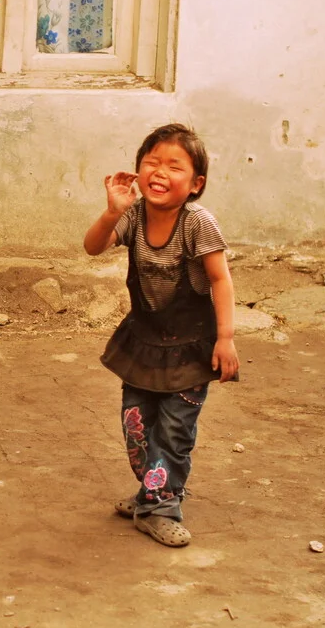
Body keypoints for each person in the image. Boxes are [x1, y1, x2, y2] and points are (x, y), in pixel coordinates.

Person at [83, 123, 239, 547]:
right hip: (144, 343)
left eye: (174, 165)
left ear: (195, 184)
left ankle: (162, 506)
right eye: (152, 162)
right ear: (137, 171)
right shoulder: (133, 216)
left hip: (190, 349)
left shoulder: (198, 224)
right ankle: (151, 491)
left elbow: (220, 281)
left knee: (173, 431)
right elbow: (93, 246)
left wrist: (225, 338)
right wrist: (113, 210)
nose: (160, 171)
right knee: (136, 426)